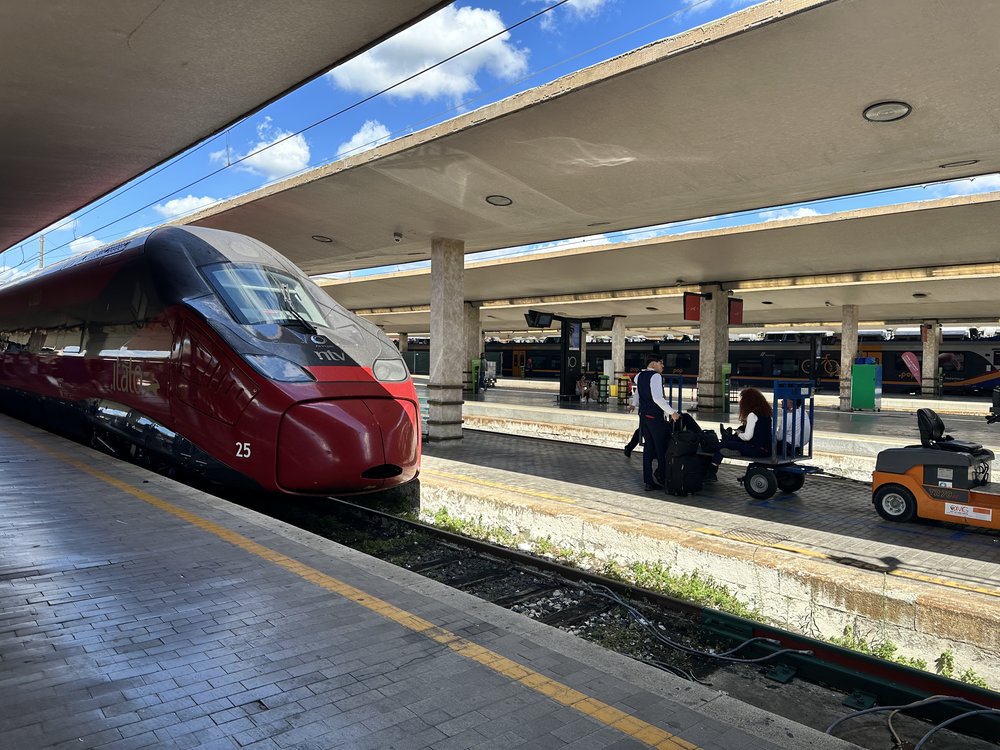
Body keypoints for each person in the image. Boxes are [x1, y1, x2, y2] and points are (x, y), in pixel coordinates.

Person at [633, 354, 681, 490]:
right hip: (654, 417)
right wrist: (673, 412)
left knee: (648, 448)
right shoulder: (656, 376)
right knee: (661, 447)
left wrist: (633, 403)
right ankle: (663, 477)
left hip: (643, 416)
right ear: (653, 364)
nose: (663, 366)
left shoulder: (639, 376)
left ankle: (648, 482)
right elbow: (657, 398)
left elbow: (637, 392)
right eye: (661, 363)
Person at [715, 387, 773, 466]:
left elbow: (747, 437)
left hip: (756, 450)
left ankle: (713, 467)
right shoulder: (766, 413)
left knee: (721, 445)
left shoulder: (752, 414)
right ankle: (735, 449)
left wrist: (739, 433)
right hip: (767, 450)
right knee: (735, 441)